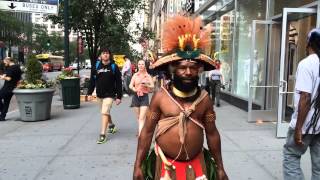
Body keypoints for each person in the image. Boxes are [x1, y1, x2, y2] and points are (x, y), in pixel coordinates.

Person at [133, 15, 228, 180]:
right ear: (173, 70)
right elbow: (147, 133)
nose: (188, 72)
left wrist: (220, 167)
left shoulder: (204, 99)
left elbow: (212, 134)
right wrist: (137, 166)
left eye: (193, 68)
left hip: (197, 168)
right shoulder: (160, 97)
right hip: (165, 169)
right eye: (183, 67)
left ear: (199, 70)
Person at [283, 28, 320, 180]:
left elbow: (305, 97)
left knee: (291, 157)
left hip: (305, 125)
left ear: (308, 44)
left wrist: (298, 128)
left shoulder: (307, 64)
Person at [88, 48, 122, 144]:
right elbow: (92, 80)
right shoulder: (96, 66)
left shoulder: (113, 66)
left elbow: (119, 82)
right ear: (101, 56)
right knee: (105, 112)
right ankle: (111, 125)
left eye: (107, 53)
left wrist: (119, 96)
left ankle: (102, 134)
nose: (105, 55)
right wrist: (89, 93)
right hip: (100, 94)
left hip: (110, 94)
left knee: (104, 111)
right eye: (103, 53)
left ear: (109, 55)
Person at [129, 60, 154, 136]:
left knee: (142, 117)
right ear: (138, 65)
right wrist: (134, 89)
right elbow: (130, 85)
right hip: (136, 97)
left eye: (142, 64)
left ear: (144, 66)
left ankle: (141, 135)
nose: (140, 66)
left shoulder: (148, 76)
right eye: (139, 64)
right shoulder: (135, 75)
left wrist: (146, 85)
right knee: (138, 116)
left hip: (144, 97)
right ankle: (141, 129)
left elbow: (152, 86)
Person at [0, 57, 22, 121]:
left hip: (7, 87)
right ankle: (2, 117)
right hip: (13, 88)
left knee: (5, 102)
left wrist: (1, 76)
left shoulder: (11, 68)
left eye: (5, 62)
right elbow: (17, 77)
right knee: (6, 102)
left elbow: (9, 78)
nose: (4, 64)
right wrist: (3, 76)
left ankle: (2, 110)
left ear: (8, 61)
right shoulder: (17, 67)